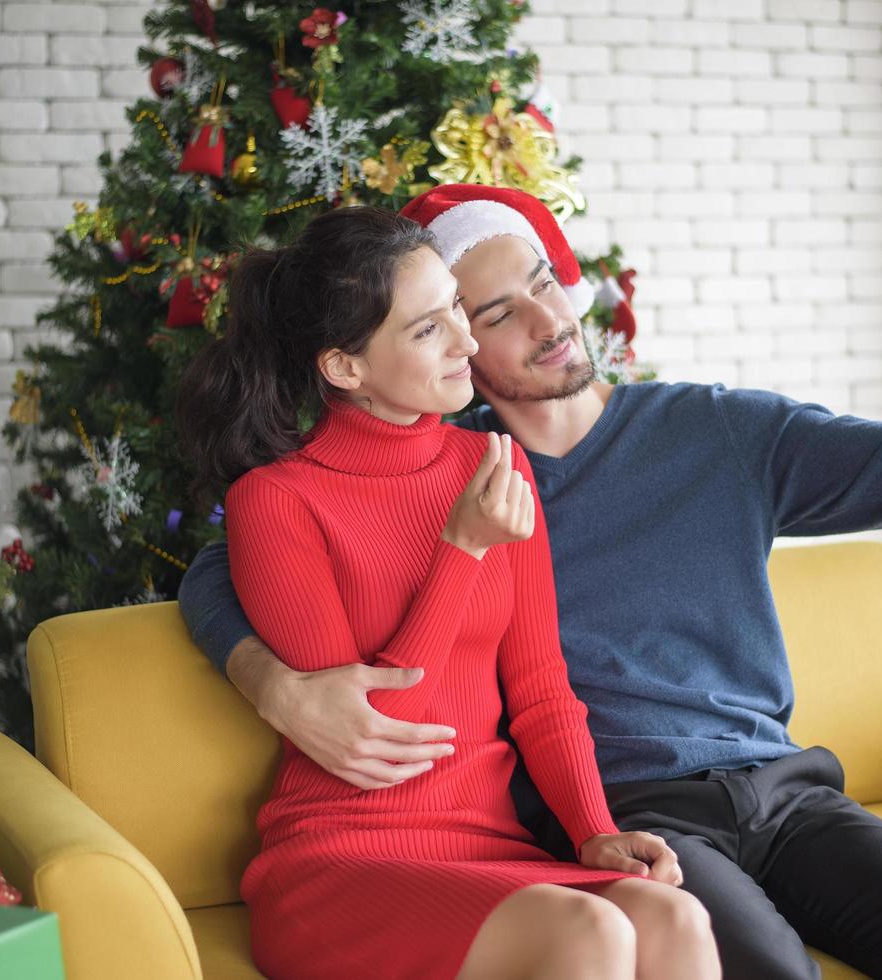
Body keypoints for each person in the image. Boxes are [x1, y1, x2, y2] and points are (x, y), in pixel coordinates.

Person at [180, 184, 882, 978]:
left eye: (542, 281)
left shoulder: (716, 434)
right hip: (636, 804)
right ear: (448, 345)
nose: (546, 318)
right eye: (486, 313)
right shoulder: (457, 468)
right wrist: (267, 676)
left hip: (784, 788)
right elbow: (230, 563)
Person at [174, 204, 719, 980]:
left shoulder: (491, 465)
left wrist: (593, 831)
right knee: (587, 934)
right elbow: (376, 739)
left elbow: (540, 689)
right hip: (343, 858)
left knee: (675, 918)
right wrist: (460, 552)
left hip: (488, 845)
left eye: (456, 311)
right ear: (344, 367)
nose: (466, 341)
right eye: (428, 328)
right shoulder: (278, 501)